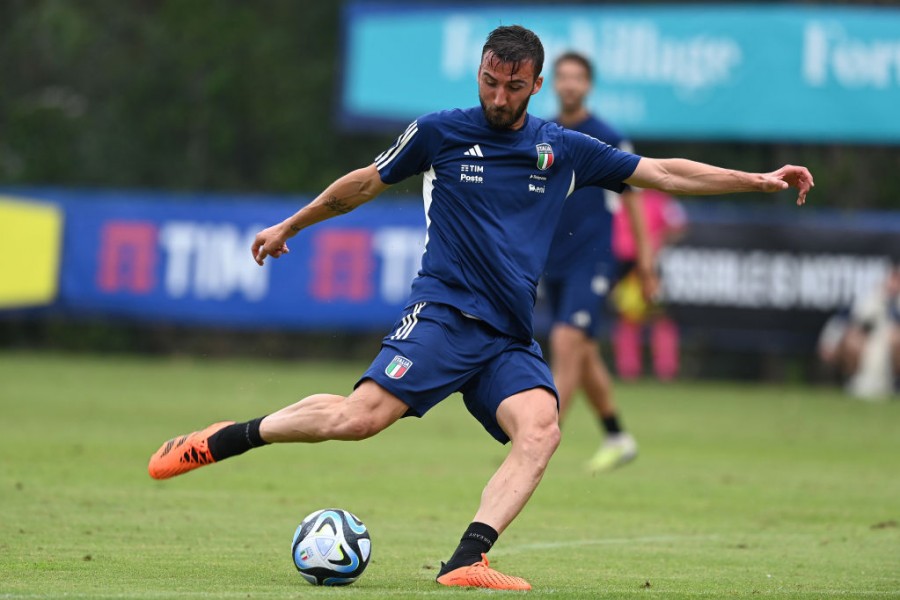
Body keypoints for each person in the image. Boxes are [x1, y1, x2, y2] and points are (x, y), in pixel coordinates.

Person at [147, 25, 813, 591]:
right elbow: (362, 185)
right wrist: (291, 224)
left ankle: (468, 560)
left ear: (535, 84)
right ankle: (224, 438)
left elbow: (662, 172)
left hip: (508, 337)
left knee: (543, 429)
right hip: (443, 314)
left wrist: (755, 179)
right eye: (490, 81)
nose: (498, 96)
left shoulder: (562, 150)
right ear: (480, 72)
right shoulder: (439, 132)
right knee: (356, 421)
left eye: (513, 86)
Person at [542, 51, 653, 473]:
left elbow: (636, 197)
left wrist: (646, 260)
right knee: (583, 352)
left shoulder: (607, 135)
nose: (570, 84)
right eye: (563, 76)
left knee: (567, 341)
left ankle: (543, 435)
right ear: (552, 82)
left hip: (593, 258)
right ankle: (616, 435)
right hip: (551, 256)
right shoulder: (545, 133)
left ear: (588, 85)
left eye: (578, 78)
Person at [611, 188, 688, 380]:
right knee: (628, 317)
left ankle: (666, 369)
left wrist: (659, 242)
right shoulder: (616, 199)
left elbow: (679, 226)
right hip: (626, 266)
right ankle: (628, 369)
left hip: (652, 265)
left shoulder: (659, 200)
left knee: (659, 316)